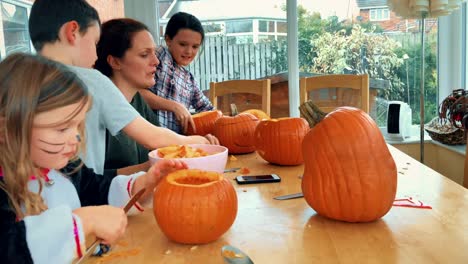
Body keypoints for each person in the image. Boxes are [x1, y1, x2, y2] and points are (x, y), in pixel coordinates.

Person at [0, 53, 187, 263]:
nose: (76, 138)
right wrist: (81, 222)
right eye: (62, 128)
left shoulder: (66, 169)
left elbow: (98, 191)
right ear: (7, 130)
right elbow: (7, 248)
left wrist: (141, 185)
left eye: (77, 126)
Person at [28, 0, 218, 175]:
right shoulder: (91, 81)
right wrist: (199, 143)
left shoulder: (23, 79)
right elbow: (153, 138)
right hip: (85, 198)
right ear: (73, 32)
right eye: (95, 43)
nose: (97, 55)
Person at [94, 18, 160, 175]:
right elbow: (90, 184)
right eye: (145, 55)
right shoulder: (93, 109)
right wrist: (150, 169)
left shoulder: (137, 99)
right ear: (115, 62)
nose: (156, 61)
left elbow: (161, 146)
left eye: (155, 53)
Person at [140, 12, 214, 135]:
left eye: (195, 46)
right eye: (183, 44)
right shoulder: (159, 56)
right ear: (168, 40)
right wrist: (174, 106)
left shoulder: (189, 80)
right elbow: (137, 93)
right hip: (148, 139)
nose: (189, 51)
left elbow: (207, 109)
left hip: (174, 145)